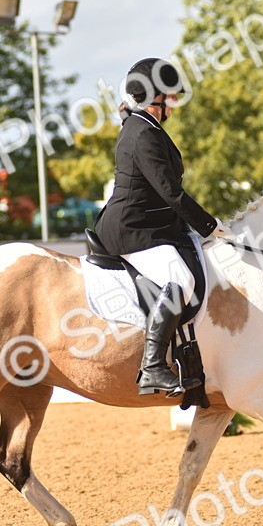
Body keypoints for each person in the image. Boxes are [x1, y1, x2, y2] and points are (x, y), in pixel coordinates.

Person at [93, 57, 231, 396]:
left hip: (151, 226)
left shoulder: (144, 126)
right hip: (133, 230)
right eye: (168, 97)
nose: (171, 104)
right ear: (153, 97)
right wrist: (210, 227)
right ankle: (153, 366)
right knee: (179, 280)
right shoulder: (143, 134)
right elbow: (172, 193)